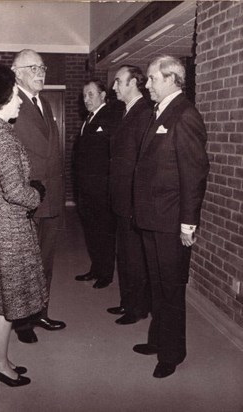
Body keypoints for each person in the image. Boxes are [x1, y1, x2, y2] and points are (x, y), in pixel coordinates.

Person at [133, 55, 209, 378]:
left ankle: (172, 352)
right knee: (157, 283)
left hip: (171, 221)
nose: (146, 84)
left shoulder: (185, 115)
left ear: (171, 79)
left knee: (171, 287)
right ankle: (158, 339)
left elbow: (194, 174)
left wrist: (188, 224)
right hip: (152, 217)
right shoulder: (160, 111)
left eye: (151, 78)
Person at [0, 64, 48, 387]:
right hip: (6, 229)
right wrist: (37, 194)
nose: (20, 101)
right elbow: (15, 191)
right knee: (5, 303)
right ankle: (0, 366)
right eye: (16, 95)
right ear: (4, 98)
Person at [11, 49, 66, 343]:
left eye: (42, 67)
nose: (41, 72)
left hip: (51, 197)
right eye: (33, 67)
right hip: (28, 199)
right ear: (16, 72)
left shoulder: (43, 102)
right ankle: (22, 323)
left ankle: (40, 312)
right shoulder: (10, 104)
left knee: (45, 260)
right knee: (25, 263)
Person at [107, 65, 152, 325]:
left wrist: (137, 201)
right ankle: (128, 302)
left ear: (134, 83)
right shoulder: (126, 112)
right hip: (122, 199)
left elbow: (143, 163)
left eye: (118, 82)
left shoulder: (144, 113)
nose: (114, 87)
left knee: (135, 256)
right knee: (125, 253)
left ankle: (138, 308)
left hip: (133, 200)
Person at [74, 80, 122, 289]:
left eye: (91, 94)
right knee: (92, 232)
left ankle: (106, 273)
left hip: (102, 191)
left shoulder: (111, 117)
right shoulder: (89, 119)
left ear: (103, 95)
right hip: (86, 190)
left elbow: (115, 154)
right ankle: (96, 268)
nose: (87, 100)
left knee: (104, 233)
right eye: (84, 96)